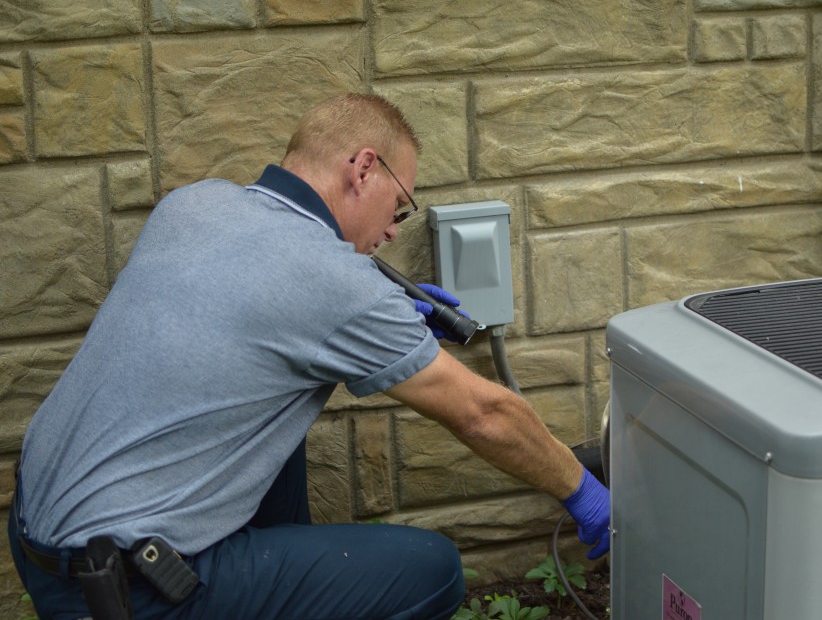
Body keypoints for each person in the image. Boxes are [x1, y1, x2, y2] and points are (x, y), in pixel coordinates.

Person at [8, 93, 610, 620]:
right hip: (129, 585)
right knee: (433, 570)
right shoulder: (337, 284)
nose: (397, 229)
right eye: (400, 207)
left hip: (39, 533)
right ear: (364, 169)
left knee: (282, 409)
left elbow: (256, 305)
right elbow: (484, 414)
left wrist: (385, 309)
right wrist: (583, 492)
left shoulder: (196, 204)